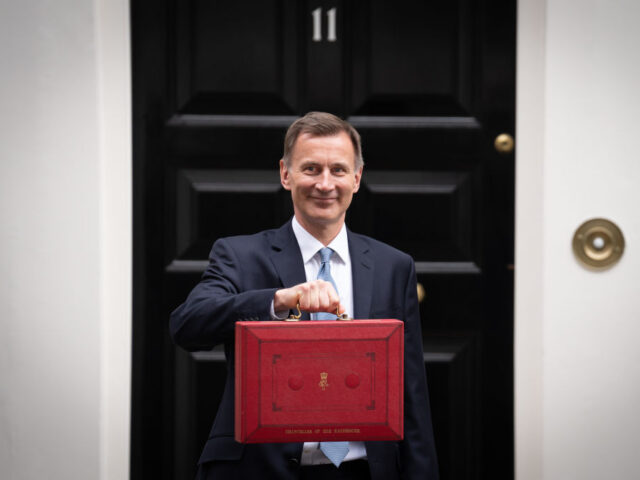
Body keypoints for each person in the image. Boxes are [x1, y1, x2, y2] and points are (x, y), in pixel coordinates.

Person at [170, 112, 439, 480]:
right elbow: (187, 325)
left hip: (364, 470)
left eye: (338, 170)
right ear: (285, 174)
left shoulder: (394, 265)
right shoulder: (239, 255)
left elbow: (412, 394)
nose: (325, 184)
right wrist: (278, 301)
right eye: (311, 169)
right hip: (259, 471)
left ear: (357, 178)